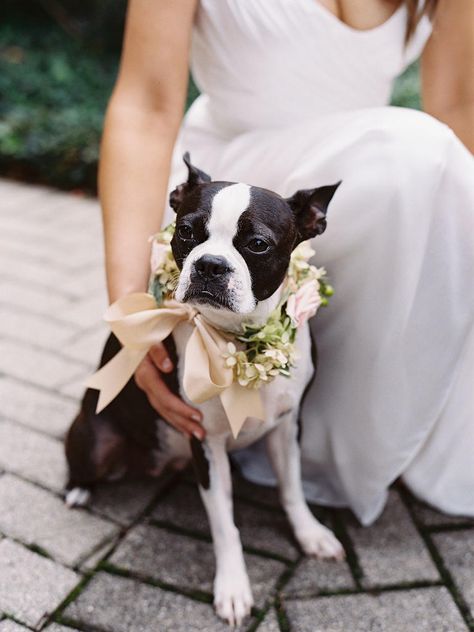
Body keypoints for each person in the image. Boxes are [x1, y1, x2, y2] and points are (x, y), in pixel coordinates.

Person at [96, 0, 474, 525]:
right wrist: (131, 312)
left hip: (364, 188)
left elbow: (457, 110)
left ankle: (331, 425)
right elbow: (146, 106)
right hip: (234, 189)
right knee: (413, 151)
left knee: (427, 163)